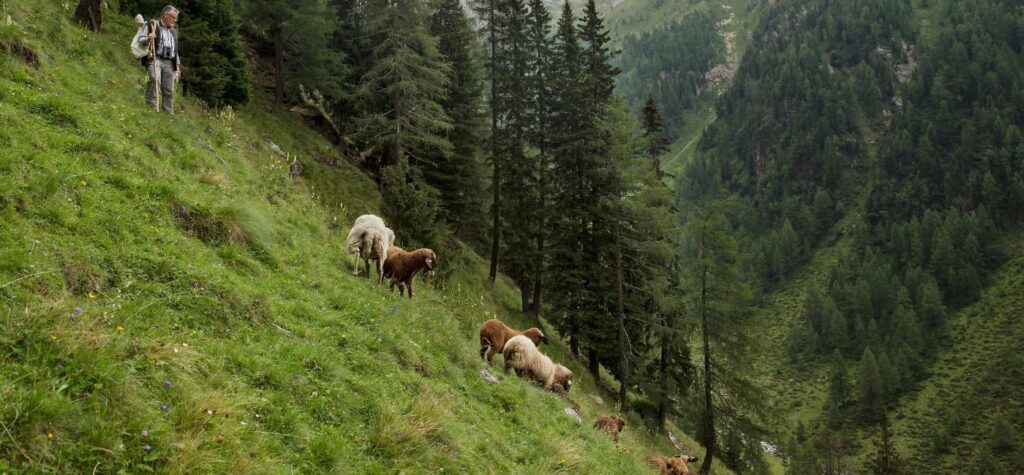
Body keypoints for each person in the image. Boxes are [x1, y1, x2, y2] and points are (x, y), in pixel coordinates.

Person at [136, 6, 180, 113]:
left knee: (169, 89)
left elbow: (175, 50)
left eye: (176, 18)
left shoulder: (173, 32)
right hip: (155, 58)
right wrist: (148, 38)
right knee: (155, 79)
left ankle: (168, 113)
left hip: (170, 62)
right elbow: (140, 39)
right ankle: (151, 108)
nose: (175, 20)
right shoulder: (152, 24)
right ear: (165, 15)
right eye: (173, 17)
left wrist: (177, 66)